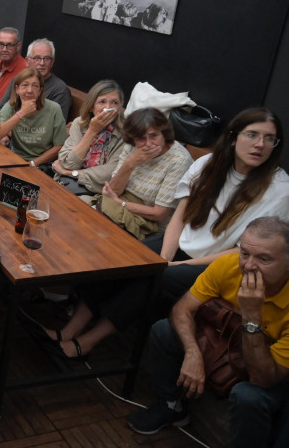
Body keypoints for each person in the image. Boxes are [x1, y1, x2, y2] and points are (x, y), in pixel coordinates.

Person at [126, 217, 289, 447]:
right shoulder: (229, 265)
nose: (249, 265)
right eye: (245, 253)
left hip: (267, 369)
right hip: (226, 345)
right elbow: (182, 309)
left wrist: (252, 315)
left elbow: (263, 378)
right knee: (163, 330)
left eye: (264, 259)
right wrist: (192, 353)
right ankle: (172, 406)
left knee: (249, 396)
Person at [151, 108, 289, 306]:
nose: (260, 144)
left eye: (269, 139)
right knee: (128, 262)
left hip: (217, 265)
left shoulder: (281, 190)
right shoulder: (208, 163)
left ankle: (96, 335)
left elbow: (242, 252)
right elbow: (181, 214)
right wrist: (165, 257)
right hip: (177, 245)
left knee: (155, 276)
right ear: (233, 138)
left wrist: (176, 266)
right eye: (252, 135)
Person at [96, 107, 193, 240]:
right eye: (141, 138)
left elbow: (160, 214)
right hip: (118, 204)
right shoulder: (131, 147)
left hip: (149, 224)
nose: (148, 144)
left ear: (164, 133)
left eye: (154, 136)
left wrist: (119, 203)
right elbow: (112, 191)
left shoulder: (179, 160)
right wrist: (129, 164)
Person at [51, 79, 127, 194]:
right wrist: (92, 131)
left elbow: (110, 173)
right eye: (102, 102)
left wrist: (69, 173)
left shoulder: (125, 135)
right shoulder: (79, 124)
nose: (108, 108)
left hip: (94, 191)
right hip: (66, 182)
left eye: (114, 103)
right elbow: (69, 163)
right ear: (92, 107)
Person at [0, 67, 67, 168]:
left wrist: (33, 163)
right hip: (15, 158)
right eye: (25, 85)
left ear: (40, 91)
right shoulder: (11, 106)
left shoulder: (54, 108)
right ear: (17, 89)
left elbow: (59, 146)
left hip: (43, 164)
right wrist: (21, 113)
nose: (29, 90)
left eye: (35, 86)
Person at [0, 38, 72, 119]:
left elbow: (53, 125)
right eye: (37, 58)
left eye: (47, 58)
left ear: (52, 62)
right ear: (27, 61)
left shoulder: (60, 90)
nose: (42, 63)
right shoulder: (18, 79)